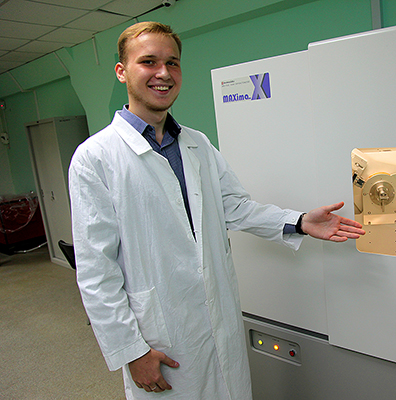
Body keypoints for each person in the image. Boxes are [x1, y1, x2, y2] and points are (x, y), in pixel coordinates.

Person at [68, 21, 364, 399]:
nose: (163, 73)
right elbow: (96, 271)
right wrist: (130, 351)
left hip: (219, 318)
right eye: (149, 62)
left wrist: (300, 222)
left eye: (172, 63)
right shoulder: (95, 158)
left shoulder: (197, 144)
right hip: (160, 334)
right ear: (122, 71)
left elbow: (233, 206)